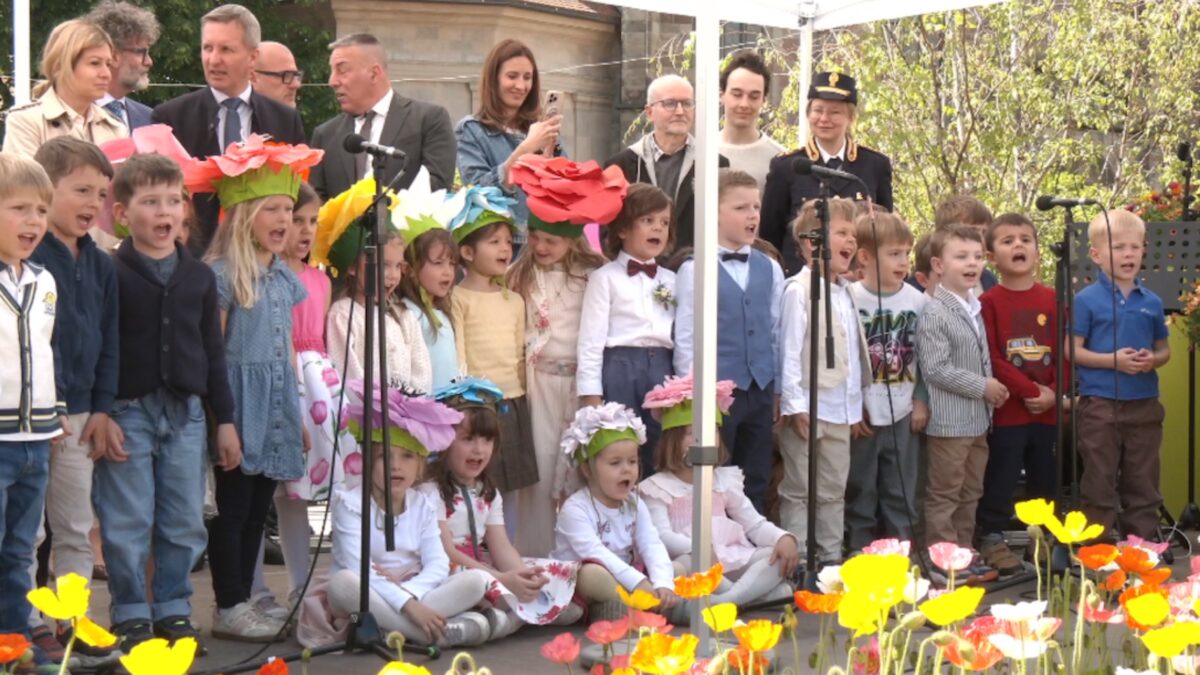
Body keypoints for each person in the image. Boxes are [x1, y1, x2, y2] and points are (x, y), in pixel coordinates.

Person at [95, 153, 239, 653]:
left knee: (182, 519)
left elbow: (213, 353)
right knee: (127, 518)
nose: (164, 211)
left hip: (186, 416)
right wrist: (102, 411)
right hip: (127, 413)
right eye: (150, 201)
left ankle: (174, 609)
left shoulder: (199, 278)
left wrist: (225, 421)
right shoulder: (110, 272)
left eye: (173, 201)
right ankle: (132, 612)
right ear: (122, 212)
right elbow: (102, 347)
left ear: (186, 211)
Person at [191, 134, 322, 641]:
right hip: (238, 408)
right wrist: (222, 420)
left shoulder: (281, 276)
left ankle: (245, 599)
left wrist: (298, 413)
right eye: (272, 209)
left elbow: (286, 349)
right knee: (233, 509)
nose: (284, 220)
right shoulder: (222, 276)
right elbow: (213, 352)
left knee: (256, 513)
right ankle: (227, 603)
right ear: (245, 214)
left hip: (274, 408)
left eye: (289, 209)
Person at [246, 183, 354, 623]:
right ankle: (252, 591)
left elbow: (323, 343)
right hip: (279, 383)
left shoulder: (318, 279)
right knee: (259, 498)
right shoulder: (267, 276)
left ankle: (298, 587)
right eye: (297, 220)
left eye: (313, 222)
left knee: (296, 498)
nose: (305, 230)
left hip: (319, 392)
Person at [27, 138, 118, 651]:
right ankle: (28, 620)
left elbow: (110, 342)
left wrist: (102, 408)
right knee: (29, 531)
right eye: (81, 190)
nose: (92, 204)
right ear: (47, 190)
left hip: (83, 414)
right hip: (37, 415)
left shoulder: (102, 264)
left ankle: (75, 618)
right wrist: (54, 405)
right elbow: (43, 341)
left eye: (100, 194)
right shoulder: (32, 258)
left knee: (76, 524)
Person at [506, 154, 620, 556]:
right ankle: (534, 555)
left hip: (582, 383)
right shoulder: (519, 275)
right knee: (538, 469)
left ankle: (583, 555)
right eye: (534, 237)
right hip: (537, 382)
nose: (539, 246)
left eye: (550, 240)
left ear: (572, 240)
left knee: (579, 468)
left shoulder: (595, 274)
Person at [326, 381, 491, 647]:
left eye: (407, 457)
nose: (396, 467)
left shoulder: (422, 504)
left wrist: (410, 596)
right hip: (365, 597)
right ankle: (428, 635)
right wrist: (408, 606)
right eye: (384, 457)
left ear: (421, 465)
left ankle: (396, 629)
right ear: (368, 461)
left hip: (415, 591)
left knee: (477, 580)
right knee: (342, 583)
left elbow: (437, 563)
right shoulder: (350, 504)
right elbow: (359, 568)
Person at [420, 378, 582, 637]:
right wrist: (502, 579)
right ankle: (514, 618)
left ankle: (505, 615)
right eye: (468, 439)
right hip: (448, 569)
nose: (478, 449)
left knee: (552, 571)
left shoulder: (487, 491)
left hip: (482, 565)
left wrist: (521, 575)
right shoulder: (431, 492)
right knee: (479, 583)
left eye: (487, 440)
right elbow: (446, 551)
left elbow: (501, 545)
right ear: (444, 440)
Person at [152, 4, 306, 253]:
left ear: (253, 57)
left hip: (261, 263)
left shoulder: (285, 120)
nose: (214, 60)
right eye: (207, 48)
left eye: (226, 49)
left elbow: (296, 197)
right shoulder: (170, 118)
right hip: (192, 261)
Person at [673, 169, 782, 513]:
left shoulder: (771, 267)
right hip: (716, 394)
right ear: (714, 212)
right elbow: (687, 336)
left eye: (756, 206)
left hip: (760, 389)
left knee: (757, 474)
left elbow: (776, 331)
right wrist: (691, 393)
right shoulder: (695, 269)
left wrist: (776, 389)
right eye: (740, 208)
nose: (752, 215)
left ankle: (756, 547)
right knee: (716, 473)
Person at [639, 373, 798, 607]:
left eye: (710, 431)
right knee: (688, 564)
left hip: (731, 560)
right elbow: (661, 537)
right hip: (694, 563)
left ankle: (727, 602)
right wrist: (699, 549)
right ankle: (752, 596)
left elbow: (752, 522)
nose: (703, 440)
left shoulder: (724, 480)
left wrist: (782, 538)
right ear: (672, 440)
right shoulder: (657, 487)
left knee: (771, 556)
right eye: (692, 434)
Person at [777, 197, 869, 566]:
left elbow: (852, 357)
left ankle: (830, 560)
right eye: (841, 232)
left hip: (840, 411)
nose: (850, 241)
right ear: (811, 242)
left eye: (853, 235)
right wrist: (794, 405)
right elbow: (790, 349)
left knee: (833, 490)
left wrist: (857, 406)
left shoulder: (846, 293)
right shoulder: (798, 291)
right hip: (809, 408)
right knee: (799, 488)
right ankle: (798, 561)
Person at [915, 224, 1008, 582]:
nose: (972, 264)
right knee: (945, 493)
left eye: (978, 257)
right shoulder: (936, 312)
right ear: (938, 265)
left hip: (977, 421)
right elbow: (936, 369)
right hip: (951, 423)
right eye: (961, 257)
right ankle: (942, 560)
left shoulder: (974, 306)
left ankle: (964, 552)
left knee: (972, 491)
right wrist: (982, 386)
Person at [1072, 209, 1170, 540]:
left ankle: (1141, 547)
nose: (1128, 254)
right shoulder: (1085, 300)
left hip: (1144, 403)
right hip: (1100, 404)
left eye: (1134, 247)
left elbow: (1164, 350)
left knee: (1143, 478)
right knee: (1098, 479)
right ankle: (1098, 551)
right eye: (1118, 247)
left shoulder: (1152, 302)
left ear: (1143, 250)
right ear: (1097, 255)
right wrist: (1112, 361)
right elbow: (1073, 351)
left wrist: (1152, 361)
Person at [0, 154, 60, 667]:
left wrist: (53, 413)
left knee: (22, 548)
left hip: (35, 439)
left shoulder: (44, 281)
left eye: (41, 210)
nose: (34, 222)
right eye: (19, 208)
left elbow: (45, 350)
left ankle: (13, 639)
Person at [447, 187, 536, 533]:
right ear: (467, 251)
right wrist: (466, 401)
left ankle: (507, 544)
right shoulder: (458, 297)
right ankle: (475, 543)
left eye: (506, 241)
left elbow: (519, 354)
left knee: (512, 483)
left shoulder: (513, 299)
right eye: (494, 242)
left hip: (513, 402)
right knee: (480, 479)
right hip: (479, 403)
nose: (504, 249)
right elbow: (460, 353)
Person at [976, 213, 1058, 577]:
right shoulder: (989, 302)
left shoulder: (1055, 299)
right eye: (1007, 241)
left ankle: (1044, 541)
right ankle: (992, 536)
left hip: (1048, 411)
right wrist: (1029, 390)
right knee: (1003, 473)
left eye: (1025, 239)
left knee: (1045, 475)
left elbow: (1065, 351)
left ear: (1038, 252)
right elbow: (992, 357)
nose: (1018, 245)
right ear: (992, 256)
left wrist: (1053, 393)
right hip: (1010, 411)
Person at [576, 184, 676, 472]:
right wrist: (591, 395)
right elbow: (590, 341)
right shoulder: (604, 278)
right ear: (622, 229)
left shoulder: (672, 279)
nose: (657, 228)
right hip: (620, 367)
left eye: (664, 222)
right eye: (647, 221)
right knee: (619, 445)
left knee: (658, 448)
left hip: (662, 369)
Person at [844, 211, 928, 551]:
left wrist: (921, 399)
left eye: (906, 254)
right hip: (864, 411)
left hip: (904, 408)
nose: (903, 262)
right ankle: (858, 550)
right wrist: (853, 406)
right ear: (865, 257)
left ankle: (901, 553)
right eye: (894, 254)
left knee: (902, 486)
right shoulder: (849, 298)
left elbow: (925, 356)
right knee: (860, 485)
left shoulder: (917, 301)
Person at [552, 403, 679, 622]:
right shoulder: (575, 509)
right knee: (591, 574)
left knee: (681, 565)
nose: (627, 469)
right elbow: (595, 553)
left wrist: (663, 583)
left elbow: (651, 543)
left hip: (627, 578)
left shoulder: (635, 503)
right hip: (591, 586)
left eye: (632, 461)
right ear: (587, 469)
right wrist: (638, 583)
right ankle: (641, 608)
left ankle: (626, 609)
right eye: (615, 463)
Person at [761, 72, 893, 276]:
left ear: (850, 117)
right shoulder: (788, 166)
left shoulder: (874, 165)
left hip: (858, 283)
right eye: (818, 111)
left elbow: (884, 231)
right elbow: (770, 237)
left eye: (834, 112)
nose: (824, 119)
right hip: (803, 281)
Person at [319, 183, 433, 398]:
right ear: (353, 267)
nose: (392, 275)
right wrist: (376, 406)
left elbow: (421, 369)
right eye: (383, 265)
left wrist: (413, 406)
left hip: (405, 419)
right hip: (366, 421)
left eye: (398, 266)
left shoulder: (402, 315)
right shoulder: (344, 315)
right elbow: (347, 371)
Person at [309, 33, 456, 199]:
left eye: (342, 70)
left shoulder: (428, 120)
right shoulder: (325, 134)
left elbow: (437, 187)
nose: (332, 81)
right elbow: (315, 201)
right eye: (332, 71)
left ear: (374, 73)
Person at [606, 75, 729, 254]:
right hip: (636, 273)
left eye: (687, 103)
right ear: (649, 112)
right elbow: (609, 230)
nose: (680, 111)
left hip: (695, 270)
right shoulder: (620, 165)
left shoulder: (714, 164)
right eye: (670, 103)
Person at [456, 39, 564, 234]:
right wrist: (525, 150)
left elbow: (564, 192)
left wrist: (548, 155)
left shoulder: (539, 129)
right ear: (494, 79)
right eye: (512, 76)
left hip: (543, 243)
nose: (521, 86)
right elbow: (479, 192)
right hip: (503, 245)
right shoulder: (472, 130)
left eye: (527, 77)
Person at [2, 19, 128, 158]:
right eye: (95, 63)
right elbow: (24, 179)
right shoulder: (26, 121)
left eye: (108, 64)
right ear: (60, 65)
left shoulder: (115, 128)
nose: (106, 74)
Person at [86, 0, 160, 130]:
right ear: (112, 55)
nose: (149, 62)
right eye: (141, 52)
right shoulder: (71, 115)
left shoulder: (150, 119)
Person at [718, 50, 783, 189]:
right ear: (721, 95)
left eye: (753, 97)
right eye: (737, 94)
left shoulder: (779, 159)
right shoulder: (699, 152)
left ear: (764, 100)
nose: (744, 104)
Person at [933, 195, 998, 293]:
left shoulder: (988, 280)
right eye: (972, 231)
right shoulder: (926, 281)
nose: (980, 239)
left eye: (984, 232)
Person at [251, 41, 303, 108]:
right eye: (286, 76)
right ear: (253, 78)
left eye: (296, 75)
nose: (296, 85)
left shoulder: (292, 117)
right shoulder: (235, 116)